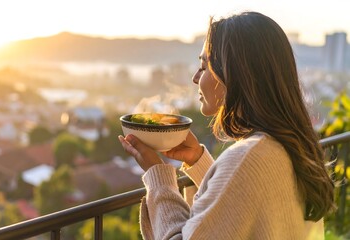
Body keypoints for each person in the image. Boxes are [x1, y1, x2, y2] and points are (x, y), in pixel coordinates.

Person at [118, 11, 335, 240]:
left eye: (204, 66)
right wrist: (198, 162)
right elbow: (240, 211)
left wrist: (158, 175)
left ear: (232, 72)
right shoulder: (291, 145)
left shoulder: (249, 157)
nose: (195, 77)